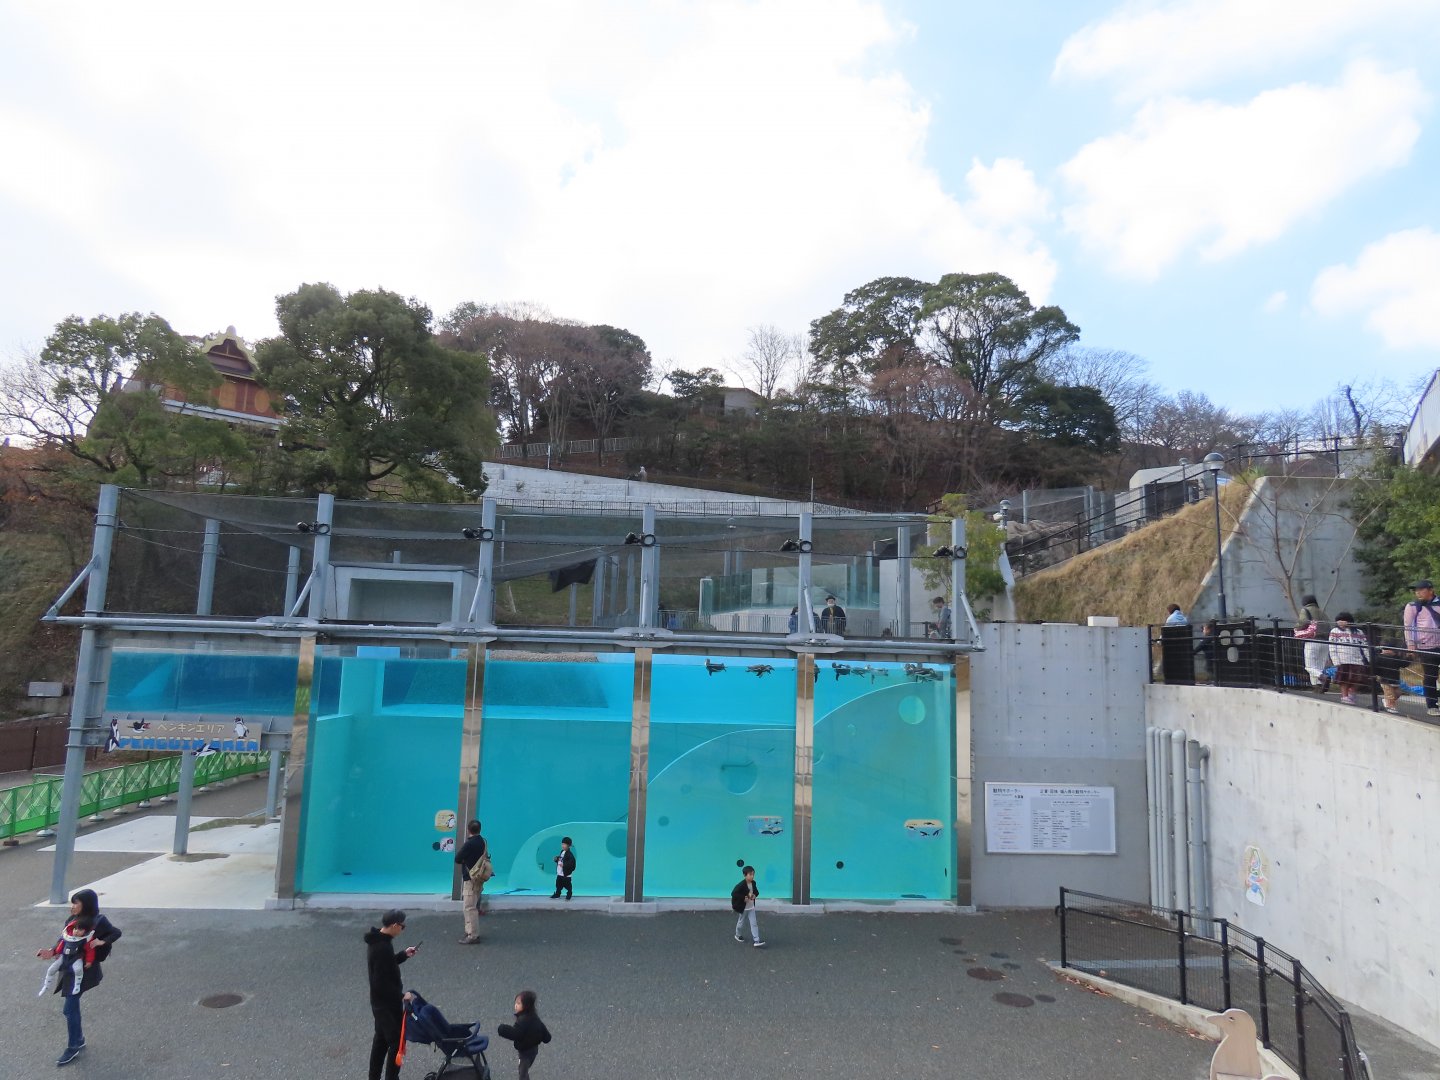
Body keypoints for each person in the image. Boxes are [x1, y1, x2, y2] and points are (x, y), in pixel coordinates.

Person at [36, 888, 120, 1068]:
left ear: (86, 905)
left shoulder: (99, 921)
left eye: (76, 903)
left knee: (69, 1008)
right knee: (70, 1008)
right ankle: (79, 1039)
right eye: (72, 902)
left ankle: (73, 1046)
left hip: (84, 971)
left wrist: (101, 942)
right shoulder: (71, 920)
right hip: (68, 968)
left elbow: (116, 932)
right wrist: (51, 951)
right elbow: (63, 939)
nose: (72, 906)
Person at [366, 909, 418, 1080]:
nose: (402, 930)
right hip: (386, 1005)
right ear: (395, 925)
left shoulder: (380, 941)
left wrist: (403, 955)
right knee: (397, 1043)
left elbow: (387, 965)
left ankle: (374, 1077)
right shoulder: (381, 947)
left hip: (380, 1004)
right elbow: (380, 982)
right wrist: (402, 996)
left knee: (380, 1041)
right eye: (403, 926)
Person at [1403, 579, 1440, 717]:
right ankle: (1432, 705)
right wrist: (1411, 645)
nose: (1417, 593)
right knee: (1430, 675)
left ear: (1430, 590)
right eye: (1416, 590)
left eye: (1421, 589)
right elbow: (1408, 627)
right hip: (1426, 647)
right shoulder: (1413, 606)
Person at [496, 989, 552, 1080]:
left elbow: (516, 1034)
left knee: (522, 1072)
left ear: (526, 1006)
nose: (515, 1006)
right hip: (533, 1049)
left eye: (518, 1004)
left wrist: (502, 1029)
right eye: (515, 1003)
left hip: (525, 1052)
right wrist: (546, 1037)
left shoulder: (523, 1020)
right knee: (524, 1069)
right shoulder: (534, 1017)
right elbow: (545, 1034)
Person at [38, 914, 94, 998]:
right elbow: (61, 944)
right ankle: (46, 986)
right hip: (64, 956)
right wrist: (56, 952)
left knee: (78, 969)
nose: (76, 931)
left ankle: (77, 986)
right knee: (52, 969)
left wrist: (89, 961)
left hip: (76, 957)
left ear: (85, 931)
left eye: (80, 930)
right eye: (75, 929)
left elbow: (90, 951)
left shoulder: (86, 939)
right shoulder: (67, 935)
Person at [455, 819, 487, 943]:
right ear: (480, 829)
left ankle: (473, 935)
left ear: (468, 830)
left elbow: (458, 858)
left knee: (469, 907)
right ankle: (470, 931)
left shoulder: (469, 844)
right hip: (479, 877)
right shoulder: (483, 841)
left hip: (471, 878)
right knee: (472, 905)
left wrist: (465, 861)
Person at [1327, 613, 1369, 705]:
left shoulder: (1359, 632)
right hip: (1343, 659)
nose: (1340, 622)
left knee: (1356, 679)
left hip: (1357, 659)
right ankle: (1344, 696)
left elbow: (1365, 646)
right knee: (1344, 679)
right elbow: (1332, 647)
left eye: (1343, 620)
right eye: (1339, 620)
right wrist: (1335, 660)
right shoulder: (1335, 631)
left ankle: (1351, 693)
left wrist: (1368, 658)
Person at [1295, 594, 1331, 692]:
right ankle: (1318, 687)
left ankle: (1323, 677)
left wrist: (1297, 628)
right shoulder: (1322, 612)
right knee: (1319, 666)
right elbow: (1329, 626)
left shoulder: (1305, 610)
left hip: (1312, 640)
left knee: (1309, 666)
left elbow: (1303, 622)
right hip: (1324, 642)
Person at [730, 865, 764, 947]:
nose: (752, 876)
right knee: (741, 922)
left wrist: (755, 895)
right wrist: (743, 898)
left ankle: (756, 940)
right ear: (745, 875)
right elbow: (734, 893)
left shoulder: (753, 883)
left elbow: (756, 892)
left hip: (751, 907)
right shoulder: (741, 885)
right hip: (744, 908)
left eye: (753, 874)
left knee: (754, 923)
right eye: (750, 874)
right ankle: (737, 935)